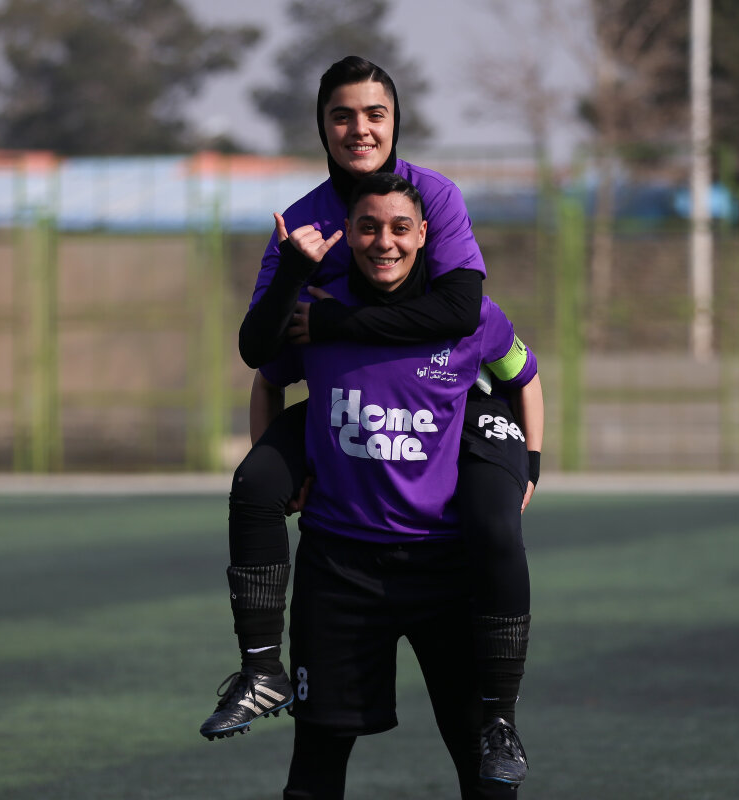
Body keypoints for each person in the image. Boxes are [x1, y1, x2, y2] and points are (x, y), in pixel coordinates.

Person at [200, 57, 540, 785]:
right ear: (322, 126)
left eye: (374, 114)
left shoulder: (434, 195)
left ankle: (501, 715)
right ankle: (259, 669)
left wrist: (335, 324)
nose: (359, 128)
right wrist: (297, 272)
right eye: (342, 115)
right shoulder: (301, 223)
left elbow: (461, 312)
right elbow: (260, 354)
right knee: (255, 484)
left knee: (494, 525)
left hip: (446, 409)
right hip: (342, 435)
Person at [263, 173, 540, 798]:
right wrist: (280, 465)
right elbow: (266, 376)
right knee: (315, 762)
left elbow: (525, 375)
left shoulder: (470, 318)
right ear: (347, 234)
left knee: (483, 763)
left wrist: (532, 460)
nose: (383, 241)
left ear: (423, 236)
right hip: (338, 567)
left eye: (399, 228)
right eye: (367, 227)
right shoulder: (315, 312)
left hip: (444, 567)